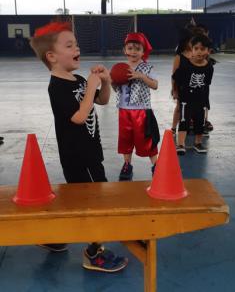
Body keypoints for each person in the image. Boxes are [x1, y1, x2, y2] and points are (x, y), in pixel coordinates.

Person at [29, 21, 128, 273]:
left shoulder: (79, 79)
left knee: (79, 200)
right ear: (52, 56)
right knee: (95, 202)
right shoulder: (57, 86)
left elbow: (103, 101)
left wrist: (104, 82)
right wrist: (91, 87)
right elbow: (78, 117)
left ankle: (55, 236)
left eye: (77, 44)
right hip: (77, 157)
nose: (77, 48)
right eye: (69, 45)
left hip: (91, 152)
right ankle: (93, 253)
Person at [112, 32, 160, 181]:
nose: (133, 51)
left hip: (141, 110)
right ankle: (127, 164)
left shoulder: (147, 68)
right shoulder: (120, 68)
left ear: (143, 52)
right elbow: (116, 89)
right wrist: (113, 81)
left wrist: (141, 76)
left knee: (147, 138)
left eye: (137, 49)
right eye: (130, 48)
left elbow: (155, 85)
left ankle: (156, 165)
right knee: (126, 139)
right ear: (124, 50)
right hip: (124, 110)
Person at [172, 34, 214, 155]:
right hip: (186, 98)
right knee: (184, 120)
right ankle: (180, 144)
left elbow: (207, 83)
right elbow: (175, 78)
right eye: (196, 49)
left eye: (202, 49)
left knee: (200, 121)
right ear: (192, 50)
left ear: (208, 50)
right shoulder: (186, 65)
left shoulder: (209, 67)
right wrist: (175, 91)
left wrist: (206, 100)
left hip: (200, 99)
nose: (199, 52)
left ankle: (198, 142)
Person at [171, 31, 193, 136]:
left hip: (194, 87)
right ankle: (174, 128)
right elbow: (174, 75)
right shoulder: (179, 57)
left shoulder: (196, 55)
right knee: (179, 107)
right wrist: (174, 90)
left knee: (192, 108)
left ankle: (188, 127)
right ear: (185, 43)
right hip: (182, 87)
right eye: (191, 41)